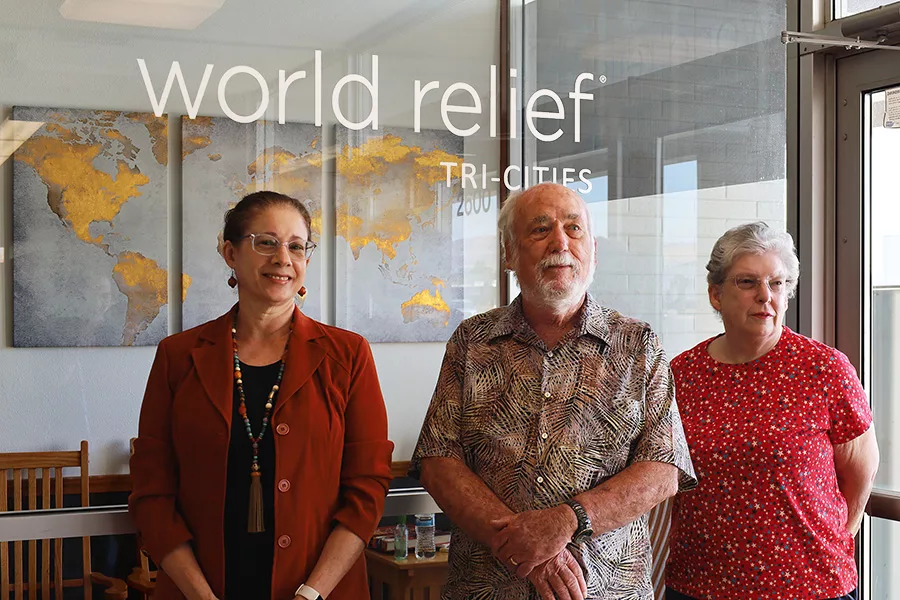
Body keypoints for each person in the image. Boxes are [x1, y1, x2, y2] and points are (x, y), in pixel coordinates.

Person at [410, 182, 697, 600]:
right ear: (510, 253)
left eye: (574, 229)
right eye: (540, 229)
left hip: (604, 590)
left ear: (593, 250)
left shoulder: (638, 344)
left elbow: (663, 469)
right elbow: (438, 460)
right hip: (487, 588)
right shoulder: (472, 341)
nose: (560, 241)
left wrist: (566, 522)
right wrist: (526, 546)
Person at [130, 191, 394, 600]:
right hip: (200, 588)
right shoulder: (178, 357)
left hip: (319, 591)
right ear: (230, 253)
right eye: (266, 242)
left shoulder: (348, 355)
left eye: (296, 246)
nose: (283, 258)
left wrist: (312, 594)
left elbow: (367, 487)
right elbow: (153, 491)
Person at [665, 222, 880, 600]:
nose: (765, 296)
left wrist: (835, 537)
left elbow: (861, 470)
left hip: (809, 585)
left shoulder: (824, 368)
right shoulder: (682, 374)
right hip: (699, 585)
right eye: (747, 283)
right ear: (716, 294)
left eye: (777, 283)